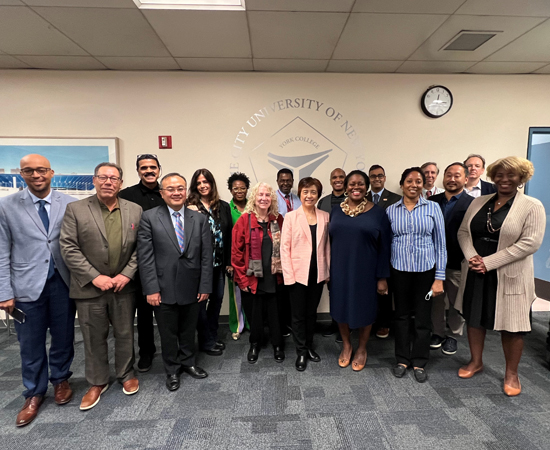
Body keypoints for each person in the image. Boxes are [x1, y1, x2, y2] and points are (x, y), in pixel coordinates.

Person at [456, 156, 545, 396]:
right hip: (477, 268)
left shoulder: (532, 205)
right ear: (493, 177)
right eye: (500, 175)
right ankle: (476, 361)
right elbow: (464, 231)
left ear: (521, 178)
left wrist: (489, 262)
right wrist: (473, 257)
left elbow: (530, 243)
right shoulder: (479, 202)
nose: (504, 179)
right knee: (475, 318)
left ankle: (511, 373)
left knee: (512, 325)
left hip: (509, 272)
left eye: (511, 175)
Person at [0, 154, 76, 427]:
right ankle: (34, 392)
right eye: (29, 171)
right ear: (22, 174)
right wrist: (3, 292)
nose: (36, 175)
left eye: (41, 170)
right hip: (24, 288)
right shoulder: (6, 206)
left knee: (64, 336)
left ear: (51, 172)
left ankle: (60, 380)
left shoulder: (70, 203)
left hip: (63, 283)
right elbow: (1, 252)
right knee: (30, 344)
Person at [60, 162, 142, 410]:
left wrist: (127, 274)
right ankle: (97, 382)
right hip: (90, 288)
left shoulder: (135, 210)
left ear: (121, 183)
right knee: (93, 337)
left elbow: (142, 248)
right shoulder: (75, 209)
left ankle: (126, 374)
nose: (108, 182)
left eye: (114, 178)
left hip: (123, 286)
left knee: (125, 333)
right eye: (103, 177)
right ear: (94, 180)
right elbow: (68, 247)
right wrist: (95, 276)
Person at [137, 173, 212, 392]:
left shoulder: (199, 219)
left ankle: (188, 362)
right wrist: (150, 289)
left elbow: (206, 255)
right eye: (170, 189)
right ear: (162, 193)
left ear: (186, 191)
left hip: (193, 285)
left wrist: (205, 286)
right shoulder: (149, 217)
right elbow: (145, 257)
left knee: (189, 329)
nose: (176, 192)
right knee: (168, 333)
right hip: (162, 287)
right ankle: (171, 369)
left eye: (180, 188)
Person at [386, 167, 446, 383]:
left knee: (422, 318)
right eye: (409, 181)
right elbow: (387, 243)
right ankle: (402, 359)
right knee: (401, 317)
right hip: (399, 271)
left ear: (424, 184)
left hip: (425, 272)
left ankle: (419, 360)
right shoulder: (391, 210)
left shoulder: (433, 208)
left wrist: (439, 278)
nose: (414, 185)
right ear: (402, 184)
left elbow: (441, 244)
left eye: (418, 181)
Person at [329, 170, 391, 372]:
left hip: (366, 270)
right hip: (339, 268)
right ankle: (347, 346)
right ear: (345, 187)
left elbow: (385, 247)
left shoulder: (379, 213)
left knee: (365, 309)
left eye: (361, 184)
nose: (356, 187)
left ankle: (362, 348)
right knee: (340, 307)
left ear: (367, 187)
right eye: (352, 184)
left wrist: (382, 277)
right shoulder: (336, 211)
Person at [119, 153, 165, 372]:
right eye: (144, 167)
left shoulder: (168, 192)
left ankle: (171, 352)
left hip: (167, 262)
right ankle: (146, 351)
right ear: (138, 171)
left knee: (168, 311)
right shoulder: (126, 196)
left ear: (159, 169)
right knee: (144, 312)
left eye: (153, 167)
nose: (149, 170)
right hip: (138, 263)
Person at [281, 177, 330, 371]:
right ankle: (301, 351)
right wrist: (289, 276)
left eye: (313, 192)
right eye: (305, 192)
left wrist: (327, 271)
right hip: (297, 274)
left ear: (318, 195)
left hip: (318, 274)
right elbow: (284, 249)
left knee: (311, 313)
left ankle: (309, 346)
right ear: (300, 194)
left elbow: (327, 246)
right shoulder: (291, 217)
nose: (309, 195)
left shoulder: (325, 216)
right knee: (298, 315)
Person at [232, 182, 285, 364]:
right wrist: (242, 280)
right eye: (260, 195)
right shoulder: (244, 220)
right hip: (252, 278)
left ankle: (278, 345)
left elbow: (286, 248)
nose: (263, 198)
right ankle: (255, 344)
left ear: (272, 199)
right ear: (254, 198)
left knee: (276, 313)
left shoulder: (278, 220)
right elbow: (236, 254)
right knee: (255, 314)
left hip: (274, 276)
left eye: (267, 195)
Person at [428, 163, 473, 355]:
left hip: (457, 261)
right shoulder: (432, 201)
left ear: (465, 179)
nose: (452, 179)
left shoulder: (472, 203)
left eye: (457, 176)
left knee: (457, 301)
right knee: (436, 301)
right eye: (448, 175)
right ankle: (437, 332)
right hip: (433, 262)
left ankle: (453, 335)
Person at [186, 169, 232, 356]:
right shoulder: (189, 206)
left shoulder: (223, 206)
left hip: (219, 264)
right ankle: (205, 340)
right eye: (199, 183)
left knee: (217, 299)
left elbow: (228, 236)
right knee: (200, 305)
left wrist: (229, 262)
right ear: (194, 186)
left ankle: (212, 335)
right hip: (199, 266)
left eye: (206, 181)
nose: (203, 185)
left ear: (212, 184)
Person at [366, 164, 402, 339]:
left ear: (385, 178)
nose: (377, 179)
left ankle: (384, 323)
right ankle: (368, 321)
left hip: (388, 249)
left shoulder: (395, 199)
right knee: (368, 289)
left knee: (385, 289)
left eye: (380, 176)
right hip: (366, 251)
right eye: (373, 176)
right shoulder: (361, 197)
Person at [317, 168, 346, 340]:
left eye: (341, 177)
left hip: (346, 253)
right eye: (334, 177)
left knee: (346, 290)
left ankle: (347, 324)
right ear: (330, 181)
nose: (338, 180)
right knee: (332, 291)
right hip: (328, 254)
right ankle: (335, 323)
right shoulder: (323, 202)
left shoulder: (354, 200)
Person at [275, 168, 300, 336]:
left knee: (294, 287)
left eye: (288, 180)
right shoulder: (272, 199)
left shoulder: (298, 199)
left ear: (292, 181)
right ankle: (281, 324)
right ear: (277, 181)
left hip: (297, 249)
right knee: (280, 289)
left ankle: (292, 322)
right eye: (282, 180)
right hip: (278, 249)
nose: (285, 183)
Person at [227, 172, 251, 340]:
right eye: (236, 188)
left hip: (253, 258)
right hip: (234, 258)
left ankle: (251, 323)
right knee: (235, 294)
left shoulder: (254, 206)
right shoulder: (226, 209)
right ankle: (237, 325)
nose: (239, 191)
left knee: (251, 292)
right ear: (230, 190)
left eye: (242, 188)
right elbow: (225, 237)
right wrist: (229, 262)